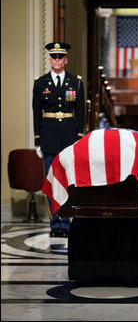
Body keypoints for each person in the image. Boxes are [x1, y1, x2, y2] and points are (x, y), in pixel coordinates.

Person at [32, 41, 85, 237]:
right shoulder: (40, 83)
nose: (57, 60)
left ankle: (67, 221)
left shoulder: (76, 82)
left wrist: (79, 138)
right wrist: (37, 140)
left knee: (69, 182)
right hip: (49, 138)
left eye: (60, 57)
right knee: (52, 182)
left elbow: (80, 113)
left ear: (66, 60)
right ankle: (56, 224)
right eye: (53, 57)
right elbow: (37, 112)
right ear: (49, 59)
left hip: (70, 138)